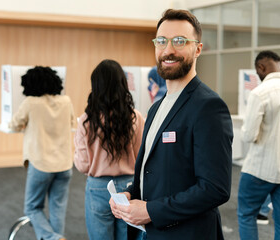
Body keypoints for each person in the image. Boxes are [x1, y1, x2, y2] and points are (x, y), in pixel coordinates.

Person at [109, 9, 233, 240]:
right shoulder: (157, 108)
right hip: (150, 231)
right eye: (161, 41)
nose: (168, 50)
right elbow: (154, 170)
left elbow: (215, 188)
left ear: (197, 49)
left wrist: (150, 211)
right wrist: (130, 193)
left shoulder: (208, 106)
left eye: (179, 41)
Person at [74, 59, 145, 240]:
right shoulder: (136, 118)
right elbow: (142, 158)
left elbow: (82, 165)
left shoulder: (86, 121)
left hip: (97, 188)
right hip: (130, 188)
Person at [9, 66, 75, 240]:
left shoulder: (31, 103)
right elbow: (71, 122)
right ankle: (57, 236)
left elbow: (14, 124)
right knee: (57, 209)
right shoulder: (66, 101)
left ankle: (52, 238)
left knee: (32, 208)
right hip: (64, 165)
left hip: (41, 165)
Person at [237, 50, 280, 240]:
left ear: (260, 67)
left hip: (259, 169)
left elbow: (248, 135)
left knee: (246, 215)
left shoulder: (260, 92)